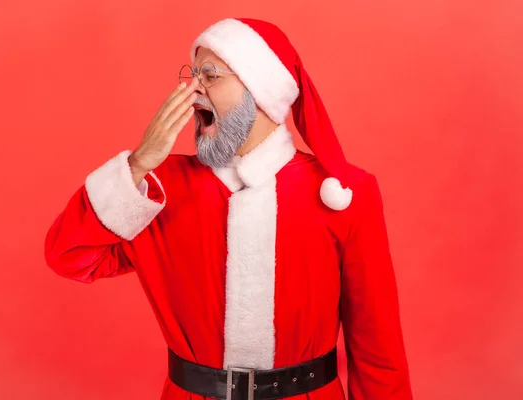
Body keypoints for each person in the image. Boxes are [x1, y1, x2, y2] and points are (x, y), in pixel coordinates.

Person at [44, 17, 413, 400]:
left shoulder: (343, 193)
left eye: (211, 76)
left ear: (260, 90)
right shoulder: (154, 188)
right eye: (193, 74)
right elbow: (68, 256)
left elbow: (377, 348)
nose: (192, 90)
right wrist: (136, 164)